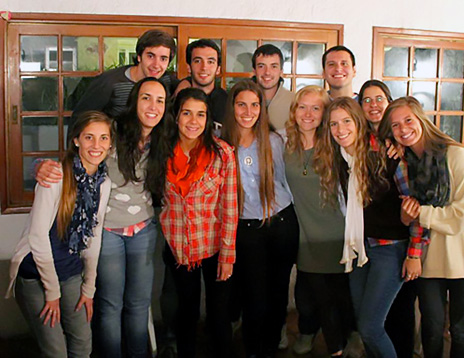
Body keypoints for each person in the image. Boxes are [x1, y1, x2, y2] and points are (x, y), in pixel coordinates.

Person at [34, 77, 171, 358]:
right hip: (107, 230)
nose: (153, 105)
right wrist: (41, 164)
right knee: (109, 305)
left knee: (138, 302)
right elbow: (80, 157)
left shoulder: (163, 139)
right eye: (146, 97)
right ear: (135, 101)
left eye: (160, 100)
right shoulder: (113, 131)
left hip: (144, 229)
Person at [379, 96, 464, 358]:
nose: (403, 128)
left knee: (461, 331)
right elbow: (403, 215)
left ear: (421, 119)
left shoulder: (456, 155)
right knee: (430, 328)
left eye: (408, 120)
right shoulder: (404, 163)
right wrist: (408, 218)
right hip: (429, 258)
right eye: (395, 125)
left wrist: (419, 215)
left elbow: (462, 215)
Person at [6, 111, 113, 357]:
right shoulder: (56, 176)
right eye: (89, 137)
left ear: (110, 143)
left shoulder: (103, 183)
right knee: (56, 352)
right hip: (36, 275)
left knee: (83, 343)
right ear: (76, 140)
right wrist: (52, 293)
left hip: (70, 271)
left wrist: (89, 287)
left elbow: (93, 236)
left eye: (103, 138)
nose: (96, 146)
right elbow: (38, 237)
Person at [326, 96, 418, 358]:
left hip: (391, 249)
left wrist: (414, 253)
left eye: (346, 122)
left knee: (370, 327)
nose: (340, 130)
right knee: (366, 323)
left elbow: (416, 208)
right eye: (333, 124)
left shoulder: (387, 156)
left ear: (358, 122)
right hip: (360, 249)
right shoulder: (342, 159)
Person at [221, 80, 299, 357]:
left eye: (255, 105)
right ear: (232, 107)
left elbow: (288, 181)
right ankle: (254, 347)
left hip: (281, 223)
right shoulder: (221, 145)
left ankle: (271, 343)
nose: (248, 111)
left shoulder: (274, 140)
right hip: (246, 230)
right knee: (253, 294)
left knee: (278, 292)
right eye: (242, 104)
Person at [38, 29, 176, 183]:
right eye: (150, 56)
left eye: (163, 59)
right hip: (109, 163)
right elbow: (80, 120)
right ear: (139, 56)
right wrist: (74, 165)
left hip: (144, 165)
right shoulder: (110, 82)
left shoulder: (166, 83)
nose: (156, 65)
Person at [160, 87, 238, 358]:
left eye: (201, 115)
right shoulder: (162, 151)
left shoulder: (222, 153)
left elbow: (230, 207)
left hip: (215, 247)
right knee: (187, 312)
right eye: (187, 113)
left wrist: (228, 255)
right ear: (176, 116)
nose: (193, 121)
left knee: (219, 314)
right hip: (179, 248)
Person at [284, 86, 356, 357]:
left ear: (325, 114)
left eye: (316, 108)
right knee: (315, 296)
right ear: (294, 111)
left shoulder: (337, 147)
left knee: (335, 297)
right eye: (302, 106)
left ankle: (339, 346)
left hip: (335, 232)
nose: (308, 113)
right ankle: (336, 342)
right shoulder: (283, 142)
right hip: (305, 234)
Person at [173, 39, 228, 127]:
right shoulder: (177, 100)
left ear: (218, 69)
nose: (204, 67)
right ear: (189, 67)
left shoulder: (228, 103)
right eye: (198, 61)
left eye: (210, 62)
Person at [251, 44, 294, 130]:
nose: (267, 72)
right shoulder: (241, 99)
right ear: (254, 70)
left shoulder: (294, 102)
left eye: (274, 66)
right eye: (261, 66)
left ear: (281, 71)